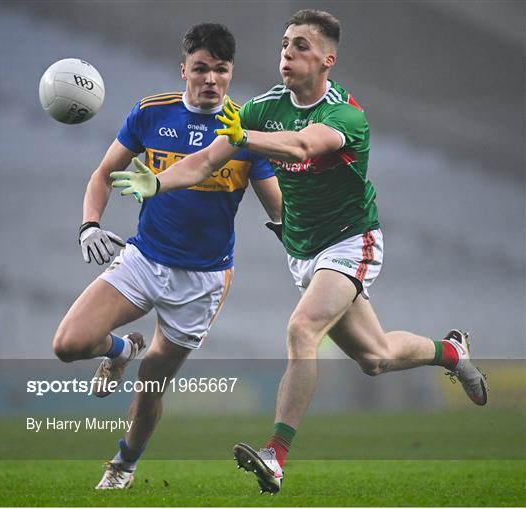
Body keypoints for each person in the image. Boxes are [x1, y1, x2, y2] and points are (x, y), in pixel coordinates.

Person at [110, 9, 488, 495]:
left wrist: (245, 138)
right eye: (285, 44)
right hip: (305, 251)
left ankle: (276, 454)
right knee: (374, 357)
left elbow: (304, 146)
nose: (288, 53)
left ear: (327, 60)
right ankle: (451, 353)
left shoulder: (345, 115)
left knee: (301, 327)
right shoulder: (262, 108)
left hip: (351, 240)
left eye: (302, 46)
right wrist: (157, 181)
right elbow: (207, 159)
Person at [52, 22, 281, 490]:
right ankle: (122, 349)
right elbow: (103, 173)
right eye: (201, 69)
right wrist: (89, 225)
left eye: (221, 70)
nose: (211, 79)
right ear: (184, 69)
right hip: (144, 260)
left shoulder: (243, 132)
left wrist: (300, 239)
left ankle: (123, 465)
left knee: (151, 384)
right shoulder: (151, 113)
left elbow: (278, 209)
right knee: (68, 345)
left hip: (203, 281)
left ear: (231, 73)